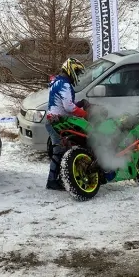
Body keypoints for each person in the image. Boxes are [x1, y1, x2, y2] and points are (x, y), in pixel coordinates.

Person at [45, 58, 87, 190]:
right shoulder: (65, 84)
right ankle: (52, 181)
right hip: (56, 122)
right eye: (77, 72)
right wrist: (85, 114)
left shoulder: (58, 81)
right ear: (71, 70)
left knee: (66, 149)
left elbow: (64, 104)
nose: (78, 75)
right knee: (59, 151)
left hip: (56, 121)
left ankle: (62, 178)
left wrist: (80, 104)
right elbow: (69, 107)